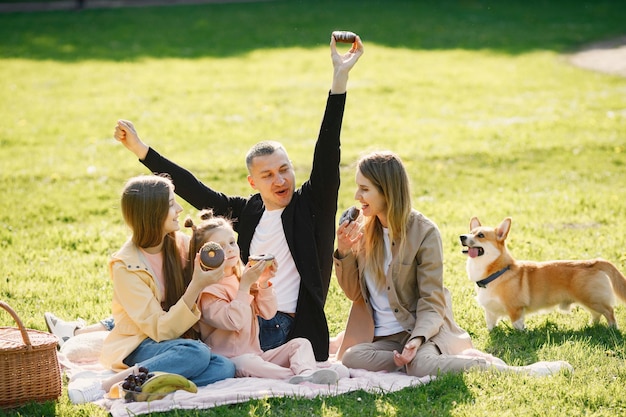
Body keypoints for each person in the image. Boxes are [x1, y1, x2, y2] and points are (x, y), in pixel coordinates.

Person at [113, 32, 364, 361]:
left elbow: (328, 152)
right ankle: (94, 332)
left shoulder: (311, 207)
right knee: (142, 323)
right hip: (233, 315)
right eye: (268, 175)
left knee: (192, 344)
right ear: (252, 182)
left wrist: (339, 78)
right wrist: (141, 150)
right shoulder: (247, 212)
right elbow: (193, 188)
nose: (280, 179)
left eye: (284, 169)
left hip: (278, 326)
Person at [333, 151, 574, 377]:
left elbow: (432, 298)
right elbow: (355, 294)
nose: (357, 196)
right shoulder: (363, 232)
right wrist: (344, 251)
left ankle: (503, 369)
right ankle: (404, 362)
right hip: (384, 338)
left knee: (420, 364)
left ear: (387, 192)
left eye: (364, 189)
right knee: (352, 357)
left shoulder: (425, 233)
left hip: (422, 330)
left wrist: (416, 340)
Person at [101, 176, 235, 385]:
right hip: (139, 345)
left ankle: (152, 385)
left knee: (225, 367)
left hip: (176, 343)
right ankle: (121, 382)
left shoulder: (180, 244)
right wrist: (196, 285)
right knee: (197, 353)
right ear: (152, 214)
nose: (180, 209)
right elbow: (160, 330)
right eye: (172, 204)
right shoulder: (125, 267)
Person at [188, 210, 347, 383]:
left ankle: (308, 371)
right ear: (205, 256)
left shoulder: (240, 279)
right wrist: (245, 287)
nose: (230, 250)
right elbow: (234, 321)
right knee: (249, 363)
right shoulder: (208, 291)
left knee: (300, 343)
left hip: (258, 354)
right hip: (230, 359)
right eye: (220, 247)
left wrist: (263, 283)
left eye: (232, 242)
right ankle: (297, 378)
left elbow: (268, 312)